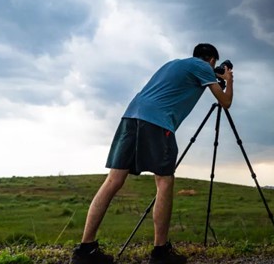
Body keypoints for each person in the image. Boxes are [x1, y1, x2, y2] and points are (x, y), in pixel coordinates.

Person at [71, 43, 233, 264]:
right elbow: (225, 102)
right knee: (164, 182)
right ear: (212, 60)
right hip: (157, 121)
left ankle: (85, 250)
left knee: (113, 180)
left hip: (131, 115)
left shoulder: (174, 64)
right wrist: (229, 80)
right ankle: (160, 252)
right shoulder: (203, 67)